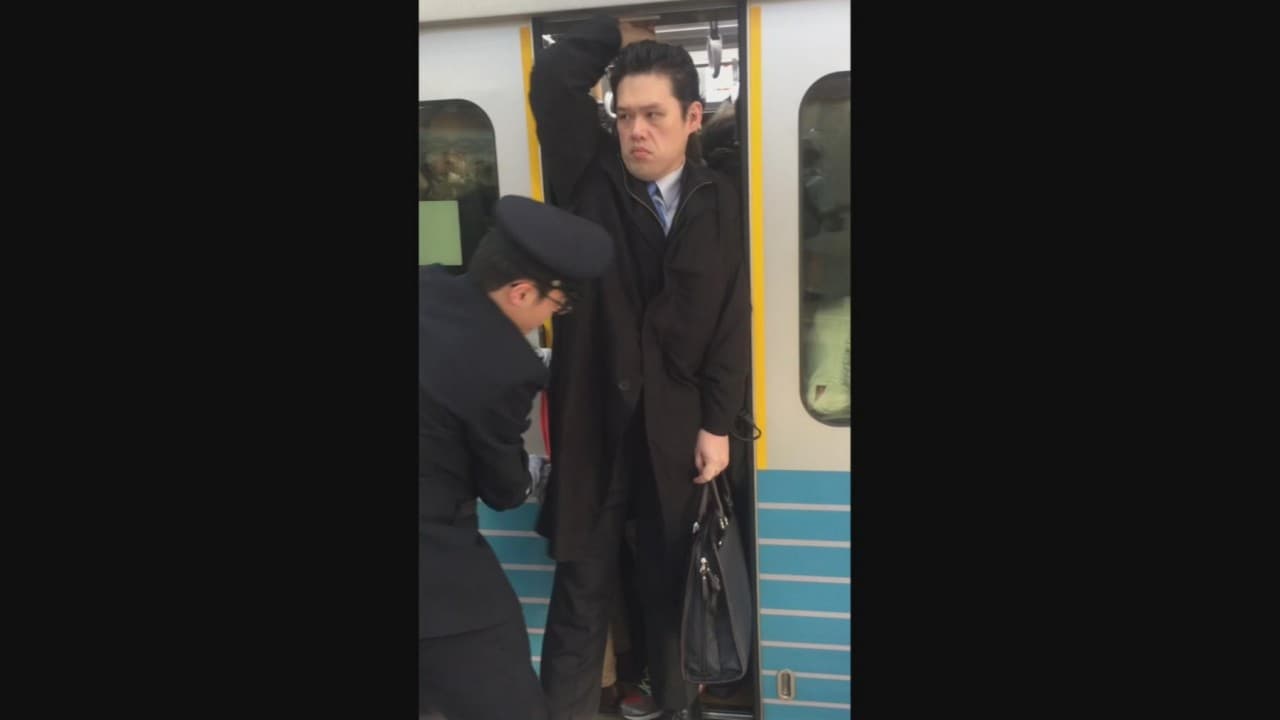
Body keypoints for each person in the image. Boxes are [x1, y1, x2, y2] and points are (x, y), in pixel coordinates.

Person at [529, 15, 751, 720]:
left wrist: (717, 424)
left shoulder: (721, 201)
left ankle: (675, 706)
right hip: (595, 426)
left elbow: (732, 321)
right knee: (581, 601)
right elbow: (553, 80)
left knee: (672, 594)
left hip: (678, 434)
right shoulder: (588, 178)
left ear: (693, 118)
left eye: (654, 115)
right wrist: (614, 32)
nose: (636, 132)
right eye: (624, 116)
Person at [419, 195, 613, 720]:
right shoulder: (505, 366)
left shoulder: (426, 285)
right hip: (435, 581)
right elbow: (502, 489)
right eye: (557, 305)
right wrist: (536, 473)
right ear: (522, 291)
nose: (553, 316)